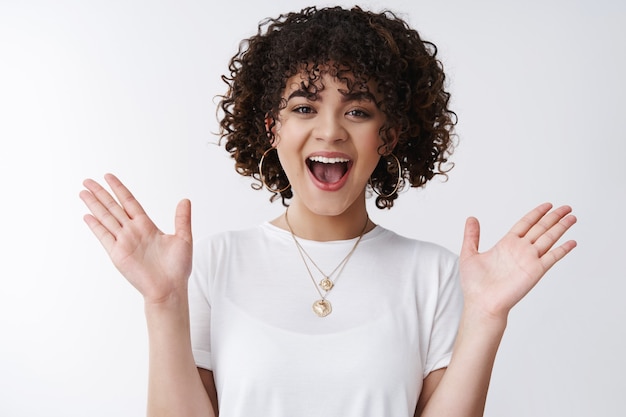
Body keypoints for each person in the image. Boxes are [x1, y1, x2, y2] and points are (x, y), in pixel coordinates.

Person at [79, 6, 577, 417]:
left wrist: (487, 316)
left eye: (358, 111)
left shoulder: (435, 275)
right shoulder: (212, 264)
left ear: (390, 134)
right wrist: (164, 301)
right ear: (273, 129)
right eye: (304, 108)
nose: (331, 131)